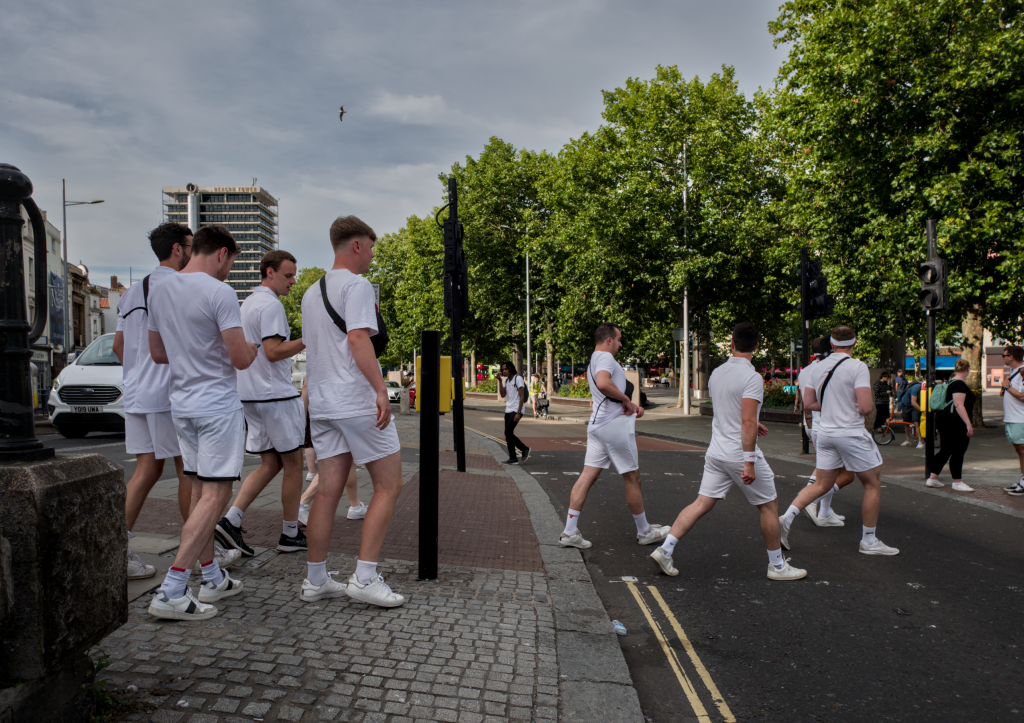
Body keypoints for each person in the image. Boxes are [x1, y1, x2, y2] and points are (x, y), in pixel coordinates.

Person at [112, 223, 242, 582]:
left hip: (139, 389)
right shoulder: (203, 289)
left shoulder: (138, 290)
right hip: (184, 395)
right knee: (202, 485)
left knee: (148, 472)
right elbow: (235, 356)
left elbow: (124, 347)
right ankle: (190, 568)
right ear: (179, 249)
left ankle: (118, 549)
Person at [146, 225, 257, 620]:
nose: (229, 271)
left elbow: (158, 353)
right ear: (222, 254)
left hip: (183, 405)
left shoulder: (159, 289)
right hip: (216, 406)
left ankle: (211, 577)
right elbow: (240, 359)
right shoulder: (220, 292)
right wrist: (254, 347)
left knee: (198, 492)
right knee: (216, 496)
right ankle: (172, 589)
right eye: (231, 263)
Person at [299, 215, 404, 607]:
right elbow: (359, 339)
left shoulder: (310, 293)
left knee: (326, 491)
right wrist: (381, 390)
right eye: (372, 246)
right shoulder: (358, 286)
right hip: (355, 400)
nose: (374, 254)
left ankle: (316, 580)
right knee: (389, 485)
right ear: (356, 245)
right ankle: (364, 576)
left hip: (324, 402)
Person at [649, 322, 805, 581]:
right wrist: (749, 462)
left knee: (701, 503)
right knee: (769, 506)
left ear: (732, 343)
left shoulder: (718, 373)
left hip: (716, 452)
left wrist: (755, 422)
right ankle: (777, 567)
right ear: (756, 346)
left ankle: (665, 550)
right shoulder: (752, 377)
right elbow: (745, 421)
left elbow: (730, 410)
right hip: (737, 453)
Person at [214, 251, 308, 557]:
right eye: (288, 275)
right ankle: (290, 534)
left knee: (271, 463)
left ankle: (231, 519)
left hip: (250, 395)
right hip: (275, 396)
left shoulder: (249, 303)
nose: (293, 281)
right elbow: (273, 350)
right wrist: (311, 338)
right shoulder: (271, 305)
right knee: (294, 464)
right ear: (269, 272)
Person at [778, 325, 899, 557]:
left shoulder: (815, 368)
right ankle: (869, 541)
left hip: (824, 434)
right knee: (872, 484)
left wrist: (833, 405)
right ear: (855, 343)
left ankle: (786, 518)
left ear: (832, 344)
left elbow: (809, 404)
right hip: (851, 433)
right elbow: (865, 407)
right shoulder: (857, 366)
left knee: (821, 484)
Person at [559, 323, 668, 550]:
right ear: (609, 339)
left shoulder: (594, 359)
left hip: (598, 426)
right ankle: (645, 531)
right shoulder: (606, 358)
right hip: (614, 426)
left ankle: (569, 532)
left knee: (587, 476)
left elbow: (603, 388)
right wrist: (626, 400)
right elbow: (603, 383)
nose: (620, 344)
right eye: (619, 339)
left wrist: (625, 402)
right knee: (633, 478)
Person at [794, 338, 851, 528]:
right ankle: (812, 502)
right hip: (832, 426)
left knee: (827, 468)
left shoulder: (805, 371)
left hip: (814, 425)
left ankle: (825, 511)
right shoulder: (834, 368)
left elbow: (806, 401)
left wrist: (809, 426)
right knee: (838, 472)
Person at [297, 375, 364, 526]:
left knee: (345, 460)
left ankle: (355, 505)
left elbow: (307, 385)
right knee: (336, 463)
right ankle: (303, 502)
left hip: (328, 410)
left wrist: (301, 417)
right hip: (342, 409)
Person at [926, 359, 975, 492]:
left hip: (945, 420)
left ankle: (933, 478)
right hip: (955, 422)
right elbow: (959, 405)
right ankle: (957, 482)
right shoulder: (959, 384)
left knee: (946, 450)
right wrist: (968, 424)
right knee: (958, 451)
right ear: (968, 369)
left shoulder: (950, 382)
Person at [1001, 345, 1024, 496]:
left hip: (1020, 419)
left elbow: (1023, 396)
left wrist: (1007, 387)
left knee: (1023, 450)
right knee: (1020, 450)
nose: (1002, 357)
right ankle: (1023, 481)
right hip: (1013, 418)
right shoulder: (1015, 372)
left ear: (1011, 357)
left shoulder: (1023, 371)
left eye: (1004, 355)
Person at [497, 362, 530, 464]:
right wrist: (499, 381)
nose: (504, 371)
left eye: (505, 369)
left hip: (516, 409)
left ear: (510, 368)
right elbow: (503, 395)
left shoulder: (518, 379)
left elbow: (522, 397)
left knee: (508, 432)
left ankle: (524, 449)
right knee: (508, 434)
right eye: (503, 370)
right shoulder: (506, 380)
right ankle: (513, 457)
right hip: (508, 409)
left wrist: (519, 412)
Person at [900, 373, 924, 447]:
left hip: (915, 404)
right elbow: (913, 402)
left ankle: (920, 442)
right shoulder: (916, 388)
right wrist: (923, 411)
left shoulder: (925, 390)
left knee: (916, 422)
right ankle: (908, 440)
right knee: (907, 423)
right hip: (907, 404)